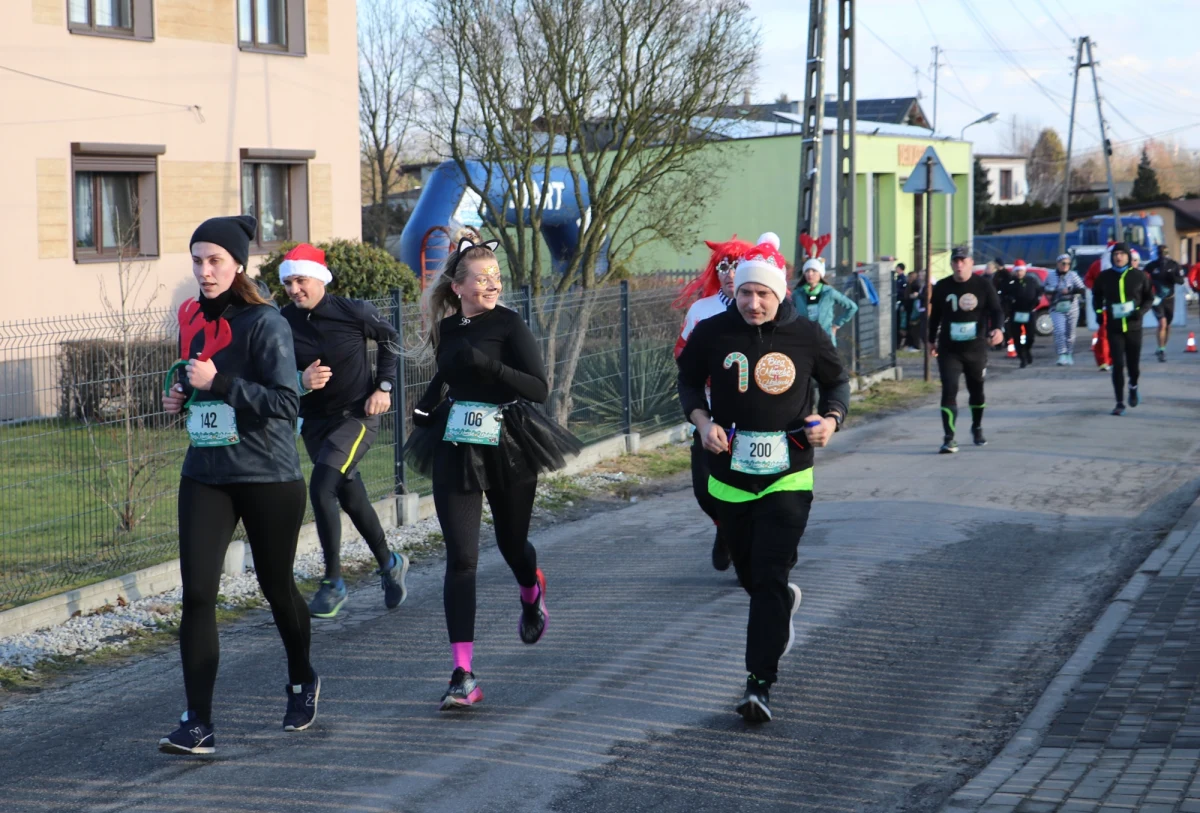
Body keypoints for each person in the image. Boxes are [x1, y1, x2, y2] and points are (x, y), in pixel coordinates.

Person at [159, 215, 318, 755]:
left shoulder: (265, 322)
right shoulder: (188, 316)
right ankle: (196, 722)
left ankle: (302, 677)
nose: (205, 271)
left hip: (268, 475)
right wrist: (182, 394)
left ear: (238, 265)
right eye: (198, 260)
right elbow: (193, 375)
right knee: (199, 595)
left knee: (276, 588)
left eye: (215, 261)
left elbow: (285, 402)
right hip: (206, 474)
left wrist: (219, 384)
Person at [677, 236, 850, 724]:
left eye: (764, 294)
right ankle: (778, 605)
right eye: (747, 293)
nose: (753, 302)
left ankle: (759, 685)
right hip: (730, 475)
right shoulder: (713, 332)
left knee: (770, 577)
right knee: (753, 579)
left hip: (787, 474)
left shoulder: (808, 336)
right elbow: (688, 379)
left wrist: (831, 419)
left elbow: (837, 381)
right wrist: (703, 422)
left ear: (780, 295)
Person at [403, 237, 581, 710]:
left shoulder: (509, 323)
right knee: (461, 559)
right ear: (458, 286)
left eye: (496, 277)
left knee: (510, 542)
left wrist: (489, 365)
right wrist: (424, 407)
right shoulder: (447, 327)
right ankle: (463, 673)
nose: (492, 284)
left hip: (510, 437)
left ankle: (531, 587)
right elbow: (447, 373)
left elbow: (539, 388)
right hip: (458, 439)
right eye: (481, 278)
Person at [278, 244, 410, 618]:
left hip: (355, 417)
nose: (294, 289)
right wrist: (299, 380)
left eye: (300, 280)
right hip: (314, 422)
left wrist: (383, 387)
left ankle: (332, 582)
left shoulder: (354, 311)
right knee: (351, 497)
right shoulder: (283, 320)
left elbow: (391, 339)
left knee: (321, 488)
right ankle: (389, 563)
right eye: (288, 282)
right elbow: (270, 368)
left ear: (318, 278)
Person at [674, 235, 754, 572]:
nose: (730, 272)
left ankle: (748, 547)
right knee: (704, 488)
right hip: (710, 414)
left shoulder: (757, 307)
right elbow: (682, 354)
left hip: (752, 414)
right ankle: (725, 529)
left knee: (747, 486)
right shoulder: (701, 310)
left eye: (736, 265)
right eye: (723, 265)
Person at [929, 247, 1006, 453]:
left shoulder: (983, 285)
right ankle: (949, 438)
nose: (959, 264)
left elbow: (997, 310)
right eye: (956, 261)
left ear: (971, 262)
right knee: (949, 389)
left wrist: (998, 329)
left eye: (963, 260)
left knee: (976, 390)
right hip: (949, 349)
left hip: (976, 349)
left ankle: (977, 426)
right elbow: (934, 315)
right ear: (952, 264)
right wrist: (930, 340)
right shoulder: (943, 286)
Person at [1093, 242, 1154, 415]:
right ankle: (1119, 402)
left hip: (1134, 327)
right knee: (1118, 365)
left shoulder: (1140, 276)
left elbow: (1149, 298)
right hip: (1114, 327)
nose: (1118, 257)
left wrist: (1139, 312)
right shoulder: (1104, 277)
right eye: (1116, 254)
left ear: (1128, 257)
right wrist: (1098, 312)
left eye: (1122, 254)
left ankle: (1133, 387)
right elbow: (1096, 296)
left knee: (1133, 366)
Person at [796, 256, 858, 344]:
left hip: (825, 339)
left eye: (814, 270)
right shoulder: (798, 294)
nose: (810, 274)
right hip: (805, 340)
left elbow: (852, 307)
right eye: (807, 271)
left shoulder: (829, 292)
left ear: (820, 273)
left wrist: (836, 325)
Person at [1143, 246, 1187, 362]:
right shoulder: (1151, 266)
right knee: (1162, 323)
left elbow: (1181, 281)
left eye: (1164, 253)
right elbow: (1142, 279)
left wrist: (1173, 277)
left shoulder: (1174, 265)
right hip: (1156, 299)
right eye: (1160, 253)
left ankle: (1162, 346)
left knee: (1167, 325)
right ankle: (1161, 350)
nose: (1162, 256)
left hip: (1169, 298)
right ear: (1157, 254)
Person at [1044, 254, 1087, 365]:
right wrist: (1051, 292)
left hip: (1071, 307)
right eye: (1063, 263)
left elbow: (1082, 289)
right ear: (1058, 264)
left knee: (1070, 333)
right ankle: (1062, 354)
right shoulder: (1051, 275)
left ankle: (1069, 353)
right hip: (1056, 307)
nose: (1065, 266)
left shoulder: (1073, 275)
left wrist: (1070, 291)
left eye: (1068, 264)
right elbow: (1044, 288)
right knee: (1059, 331)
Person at [1001, 259, 1042, 368]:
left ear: (1024, 271)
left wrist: (1036, 302)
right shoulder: (1010, 282)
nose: (1019, 273)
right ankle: (1022, 358)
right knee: (1016, 337)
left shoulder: (1031, 280)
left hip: (1029, 312)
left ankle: (1027, 350)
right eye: (1017, 271)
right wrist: (1008, 301)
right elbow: (1003, 296)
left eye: (1021, 271)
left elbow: (1039, 292)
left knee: (1030, 336)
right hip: (1015, 313)